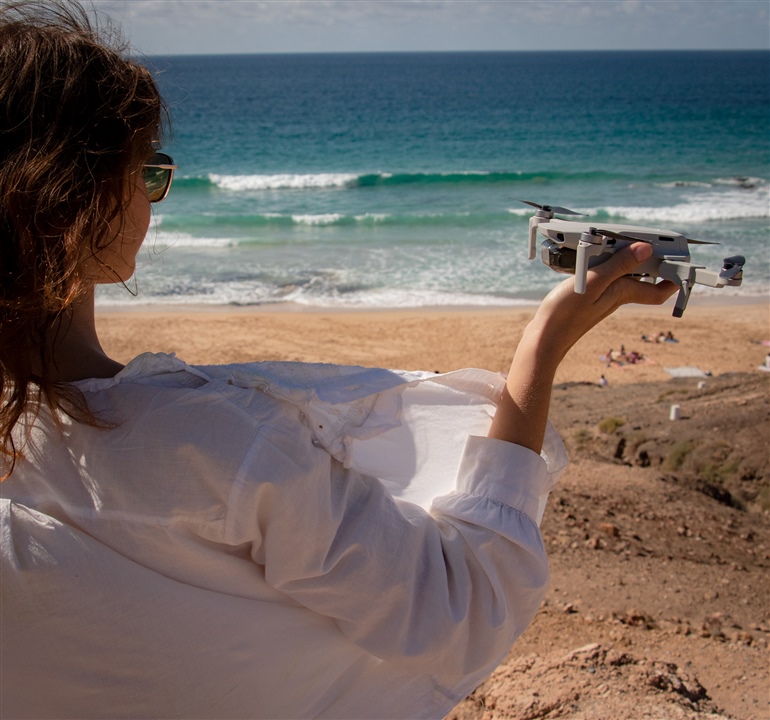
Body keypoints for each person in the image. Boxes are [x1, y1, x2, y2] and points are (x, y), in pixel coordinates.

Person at [0, 2, 678, 718]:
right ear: (74, 199)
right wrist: (545, 342)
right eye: (146, 172)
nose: (152, 198)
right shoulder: (217, 445)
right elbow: (462, 606)